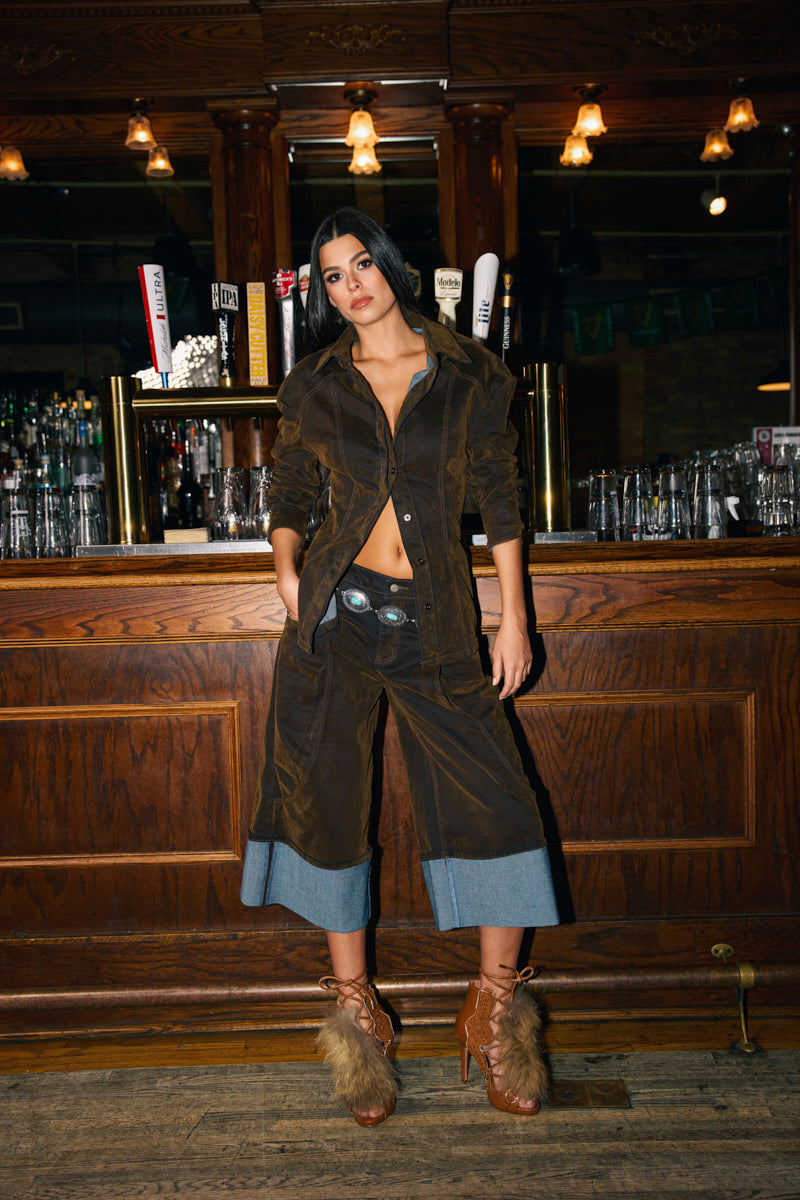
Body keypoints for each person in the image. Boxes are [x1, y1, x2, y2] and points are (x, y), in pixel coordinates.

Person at [241, 207, 560, 1125]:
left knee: (499, 802)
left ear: (392, 267)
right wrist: (287, 567)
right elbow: (292, 485)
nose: (351, 285)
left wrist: (514, 618)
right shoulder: (315, 385)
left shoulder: (468, 374)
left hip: (437, 624)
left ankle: (497, 1012)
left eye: (361, 265)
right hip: (335, 621)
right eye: (333, 276)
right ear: (327, 295)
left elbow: (500, 492)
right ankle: (357, 1022)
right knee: (328, 800)